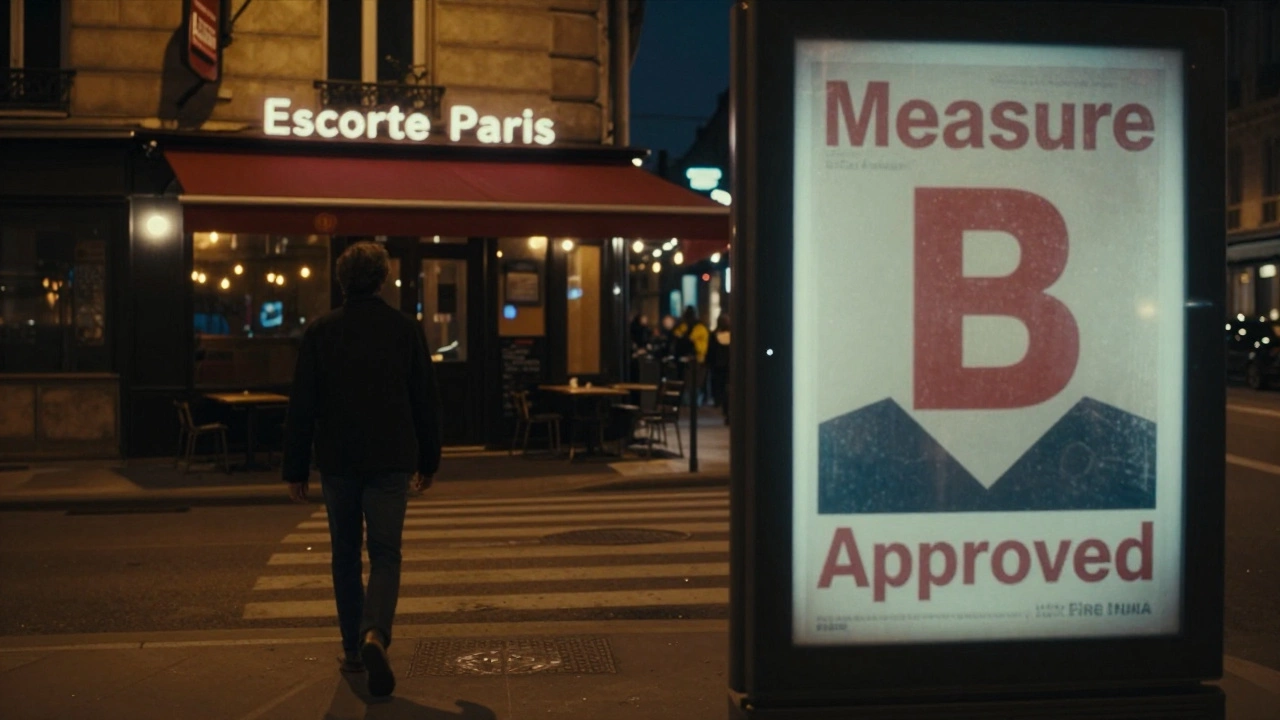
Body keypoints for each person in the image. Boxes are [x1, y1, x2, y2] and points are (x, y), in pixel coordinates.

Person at [282, 241, 442, 699]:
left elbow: (303, 403)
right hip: (391, 458)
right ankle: (376, 633)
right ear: (383, 279)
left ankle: (353, 649)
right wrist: (429, 460)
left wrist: (296, 467)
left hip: (339, 460)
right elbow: (424, 399)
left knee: (346, 553)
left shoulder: (321, 331)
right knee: (386, 553)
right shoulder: (404, 329)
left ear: (342, 281)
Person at [671, 306, 709, 403]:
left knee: (687, 382)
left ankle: (687, 402)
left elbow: (679, 337)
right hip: (698, 358)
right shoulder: (700, 327)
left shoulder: (684, 326)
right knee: (696, 383)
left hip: (688, 358)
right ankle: (694, 402)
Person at [708, 314, 731, 424]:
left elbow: (711, 351)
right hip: (729, 365)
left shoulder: (714, 336)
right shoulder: (733, 335)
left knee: (719, 386)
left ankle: (719, 401)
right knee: (727, 387)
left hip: (717, 365)